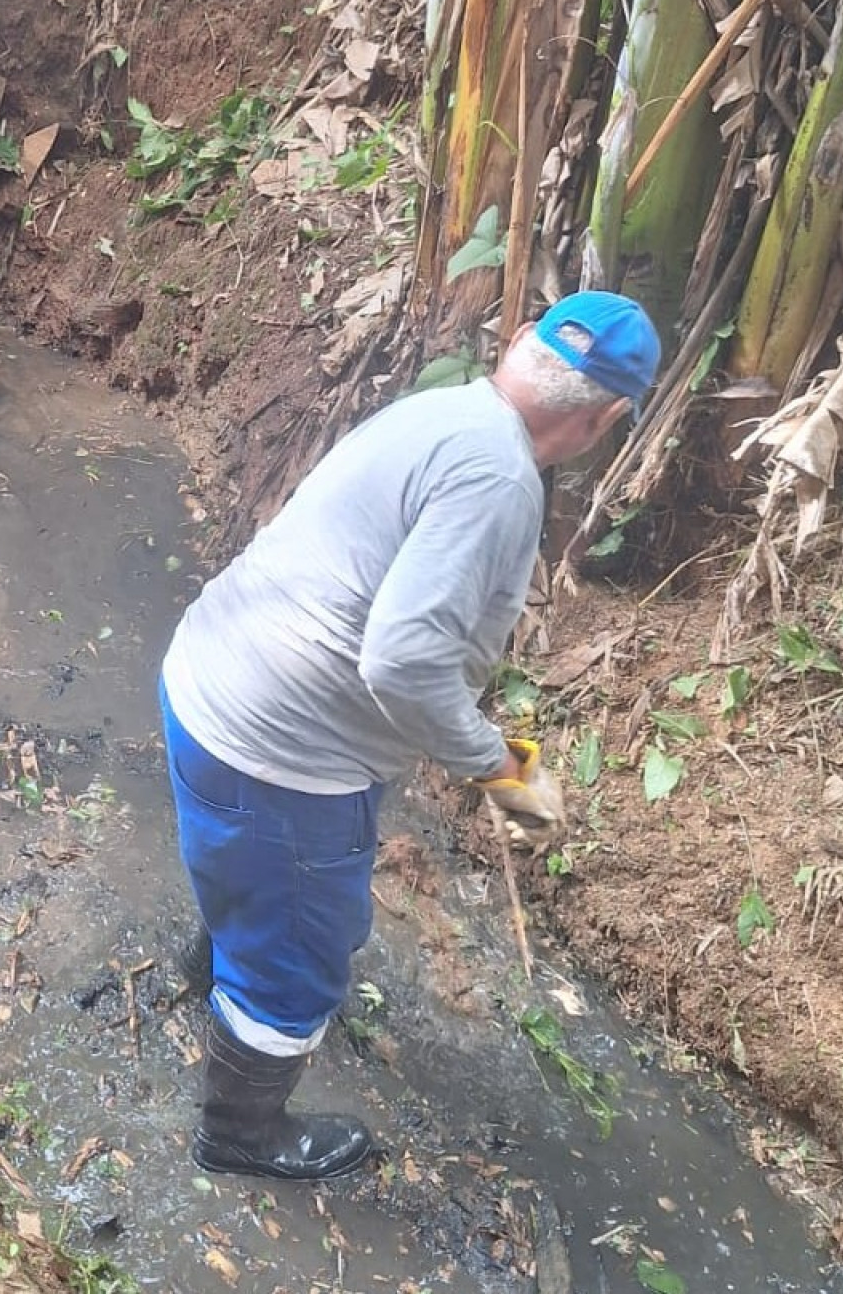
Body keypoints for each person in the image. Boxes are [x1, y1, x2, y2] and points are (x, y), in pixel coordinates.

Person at [158, 290, 661, 1181]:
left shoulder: (445, 408)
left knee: (252, 876)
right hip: (278, 752)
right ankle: (238, 1132)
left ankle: (225, 955)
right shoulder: (503, 481)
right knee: (300, 960)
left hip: (209, 675)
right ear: (603, 418)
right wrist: (499, 766)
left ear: (517, 346)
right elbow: (400, 663)